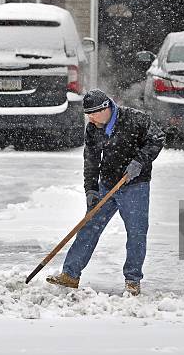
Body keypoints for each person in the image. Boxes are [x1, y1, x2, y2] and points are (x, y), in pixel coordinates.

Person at [46, 89, 165, 296]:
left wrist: (140, 161)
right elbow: (91, 160)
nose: (90, 118)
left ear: (106, 108)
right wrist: (91, 189)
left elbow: (157, 138)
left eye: (93, 113)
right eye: (88, 115)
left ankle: (132, 280)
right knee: (88, 227)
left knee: (136, 233)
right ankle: (70, 275)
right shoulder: (93, 128)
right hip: (107, 184)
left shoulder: (135, 119)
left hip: (135, 186)